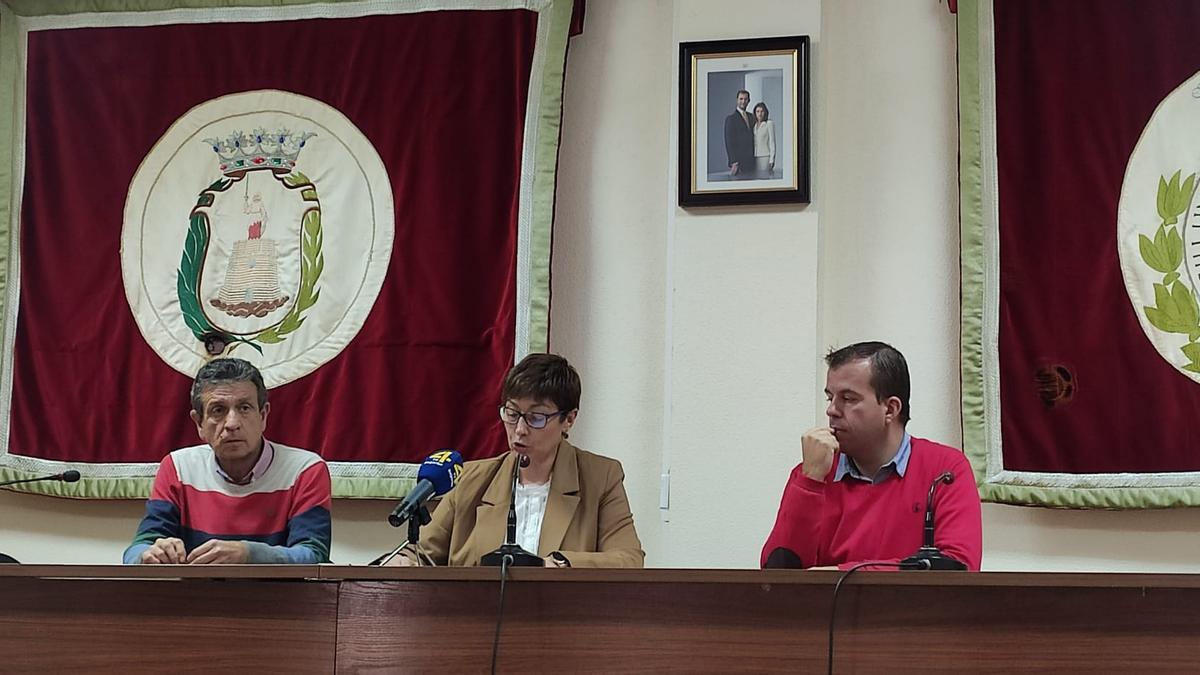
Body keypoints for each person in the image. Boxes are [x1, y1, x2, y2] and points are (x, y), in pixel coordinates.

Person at [388, 353, 644, 567]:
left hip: (563, 619)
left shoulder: (601, 477)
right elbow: (421, 553)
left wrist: (558, 565)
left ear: (569, 419)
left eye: (536, 418)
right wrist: (403, 560)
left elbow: (628, 559)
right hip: (475, 620)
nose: (519, 429)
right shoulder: (471, 479)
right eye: (512, 413)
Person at [761, 342, 982, 570]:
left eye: (848, 399)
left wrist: (840, 575)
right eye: (830, 398)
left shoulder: (945, 470)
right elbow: (778, 573)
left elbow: (958, 566)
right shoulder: (814, 470)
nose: (831, 410)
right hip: (825, 607)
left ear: (890, 409)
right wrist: (810, 481)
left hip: (911, 606)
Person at [123, 358, 331, 564]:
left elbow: (313, 556)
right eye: (218, 410)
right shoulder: (178, 468)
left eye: (244, 408)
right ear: (199, 423)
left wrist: (248, 555)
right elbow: (136, 551)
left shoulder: (305, 470)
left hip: (281, 596)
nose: (232, 423)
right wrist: (148, 555)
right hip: (196, 595)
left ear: (263, 416)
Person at [723, 89, 756, 179]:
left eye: (745, 99)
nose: (743, 101)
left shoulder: (752, 117)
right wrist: (734, 161)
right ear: (737, 100)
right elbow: (729, 141)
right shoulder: (731, 119)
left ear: (748, 101)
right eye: (741, 99)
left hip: (752, 160)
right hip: (739, 162)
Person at [752, 102, 776, 179]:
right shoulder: (754, 125)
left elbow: (772, 142)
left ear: (765, 112)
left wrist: (772, 159)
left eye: (762, 111)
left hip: (765, 156)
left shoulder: (769, 123)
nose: (760, 114)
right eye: (757, 111)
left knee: (764, 178)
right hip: (755, 156)